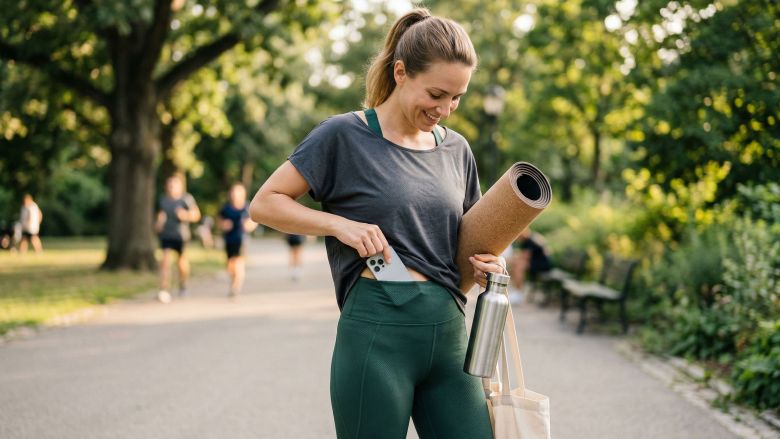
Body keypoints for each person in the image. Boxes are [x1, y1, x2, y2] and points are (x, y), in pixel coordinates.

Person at [249, 9, 505, 438]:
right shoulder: (342, 136)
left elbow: (467, 238)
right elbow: (264, 203)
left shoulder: (457, 150)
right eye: (437, 94)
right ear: (401, 72)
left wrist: (486, 265)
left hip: (449, 334)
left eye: (457, 97)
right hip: (376, 334)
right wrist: (339, 225)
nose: (445, 109)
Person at [154, 174, 201, 303]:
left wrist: (184, 215)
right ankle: (164, 289)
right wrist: (159, 223)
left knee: (181, 263)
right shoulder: (163, 200)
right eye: (169, 185)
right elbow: (159, 217)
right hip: (166, 235)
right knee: (165, 262)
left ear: (180, 187)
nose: (171, 187)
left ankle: (183, 284)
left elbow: (196, 215)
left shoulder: (186, 199)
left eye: (174, 185)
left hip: (181, 236)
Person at [219, 183, 257, 298]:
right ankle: (233, 281)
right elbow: (220, 222)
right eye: (233, 192)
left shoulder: (248, 207)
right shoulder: (226, 208)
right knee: (230, 264)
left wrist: (249, 225)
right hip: (229, 239)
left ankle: (236, 287)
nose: (235, 195)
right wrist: (224, 225)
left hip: (242, 239)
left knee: (238, 262)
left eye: (238, 192)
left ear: (243, 194)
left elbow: (255, 220)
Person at [509, 228, 552, 303]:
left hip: (542, 265)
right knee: (516, 264)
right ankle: (516, 290)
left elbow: (525, 256)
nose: (516, 238)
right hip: (537, 263)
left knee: (519, 267)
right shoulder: (530, 238)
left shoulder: (530, 240)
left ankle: (518, 293)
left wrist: (514, 257)